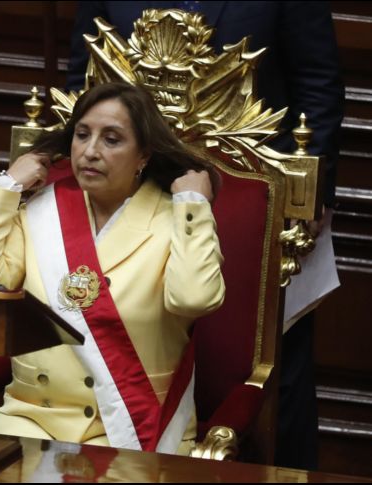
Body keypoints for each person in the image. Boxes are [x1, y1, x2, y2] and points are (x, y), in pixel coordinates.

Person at [67, 2, 344, 469]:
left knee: (274, 365)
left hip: (253, 205)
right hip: (124, 197)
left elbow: (317, 85)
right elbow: (85, 78)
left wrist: (307, 196)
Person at [0, 82, 225, 454]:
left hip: (131, 424)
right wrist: (6, 189)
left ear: (144, 154)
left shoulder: (175, 218)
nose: (90, 152)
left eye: (111, 139)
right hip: (30, 420)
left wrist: (194, 205)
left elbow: (194, 299)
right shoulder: (38, 211)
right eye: (82, 135)